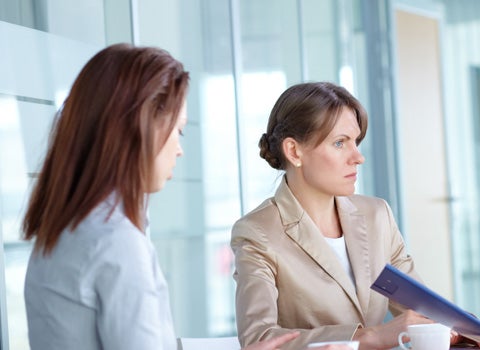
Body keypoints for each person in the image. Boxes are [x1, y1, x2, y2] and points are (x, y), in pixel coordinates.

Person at [22, 44, 336, 350]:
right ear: (139, 128)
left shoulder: (63, 229)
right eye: (178, 130)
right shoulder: (116, 243)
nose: (179, 148)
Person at [232, 82, 450, 350]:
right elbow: (260, 339)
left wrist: (467, 330)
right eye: (340, 143)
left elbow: (422, 311)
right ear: (294, 151)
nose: (358, 157)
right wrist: (368, 338)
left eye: (355, 142)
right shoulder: (258, 232)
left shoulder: (376, 215)